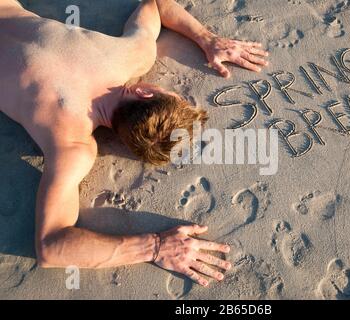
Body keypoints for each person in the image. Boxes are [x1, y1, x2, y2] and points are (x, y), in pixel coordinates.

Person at [0, 0, 269, 287]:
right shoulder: (72, 146)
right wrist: (155, 246)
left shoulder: (129, 56)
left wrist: (209, 40)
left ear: (144, 92)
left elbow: (156, 4)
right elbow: (51, 246)